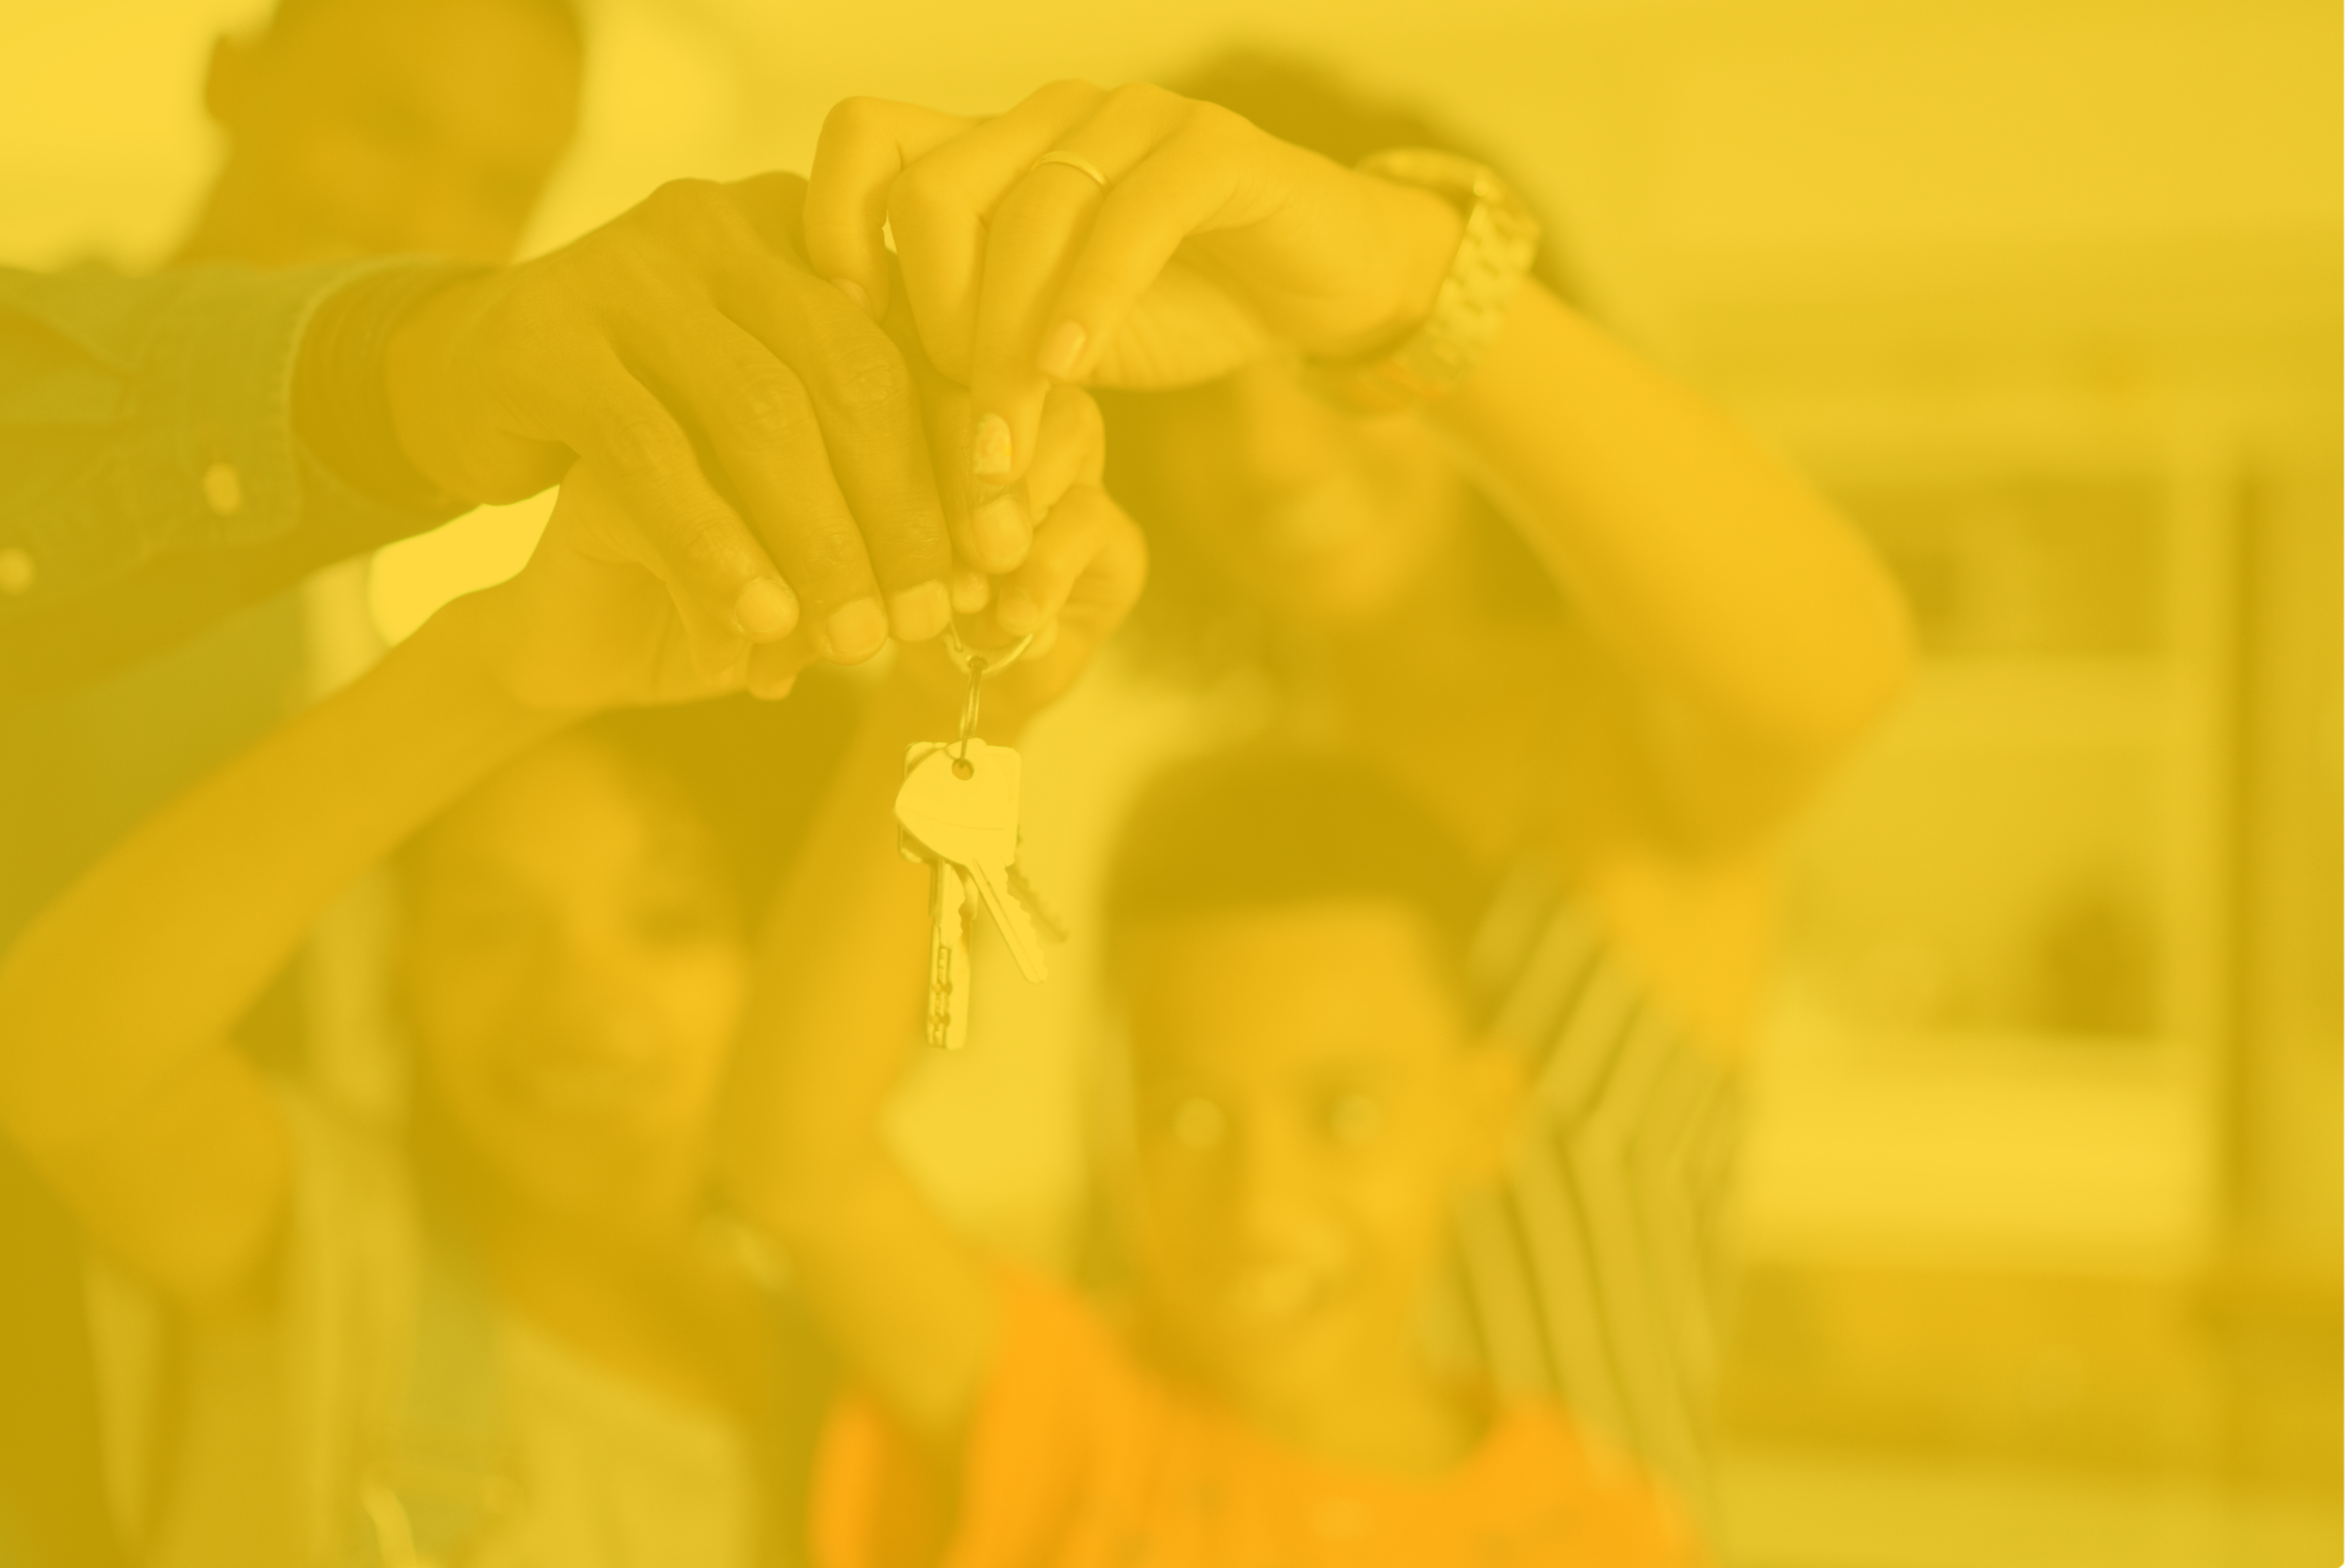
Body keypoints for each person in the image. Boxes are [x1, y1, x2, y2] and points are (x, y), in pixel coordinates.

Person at [798, 64, 1915, 1526]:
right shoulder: (1213, 796)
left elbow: (1835, 667)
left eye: (1318, 370)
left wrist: (1400, 276)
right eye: (1203, 383)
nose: (1266, 451)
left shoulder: (1627, 742)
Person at [0, 358, 1141, 1566]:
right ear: (403, 966)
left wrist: (957, 697)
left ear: (792, 950)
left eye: (668, 922)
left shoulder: (877, 1366)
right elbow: (68, 1059)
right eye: (489, 925)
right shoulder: (324, 1247)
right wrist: (498, 668)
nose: (579, 1004)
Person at [734, 727, 1708, 1565]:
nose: (1259, 1206)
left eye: (1343, 1115)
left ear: (1483, 1117)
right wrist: (948, 713)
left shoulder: (1599, 1533)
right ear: (1104, 1122)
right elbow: (798, 1168)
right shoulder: (1074, 1419)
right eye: (1187, 1118)